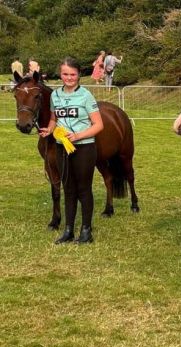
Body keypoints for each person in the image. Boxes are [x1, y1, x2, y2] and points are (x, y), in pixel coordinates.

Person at [38, 58, 104, 244]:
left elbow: (99, 125)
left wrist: (79, 136)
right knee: (68, 189)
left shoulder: (86, 95)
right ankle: (68, 230)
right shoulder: (55, 96)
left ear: (79, 75)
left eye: (72, 74)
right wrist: (49, 129)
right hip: (62, 148)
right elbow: (54, 119)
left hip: (84, 147)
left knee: (83, 189)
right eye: (65, 74)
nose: (69, 78)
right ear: (61, 74)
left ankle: (86, 231)